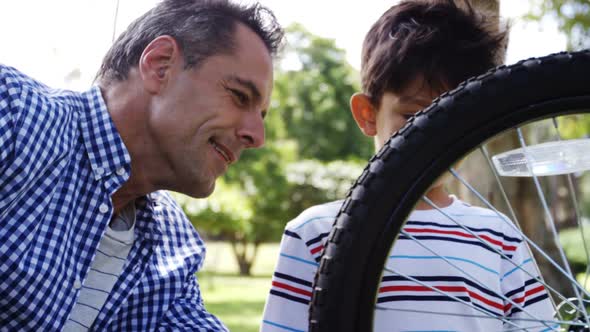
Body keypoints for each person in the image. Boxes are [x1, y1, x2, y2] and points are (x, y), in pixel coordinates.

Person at [261, 1, 555, 331]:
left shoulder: (500, 237)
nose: (437, 137)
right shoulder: (315, 234)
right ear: (367, 114)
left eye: (457, 118)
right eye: (415, 116)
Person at [0, 0, 283, 330]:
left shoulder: (173, 244)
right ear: (160, 65)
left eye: (261, 115)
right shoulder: (14, 115)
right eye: (239, 96)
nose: (257, 136)